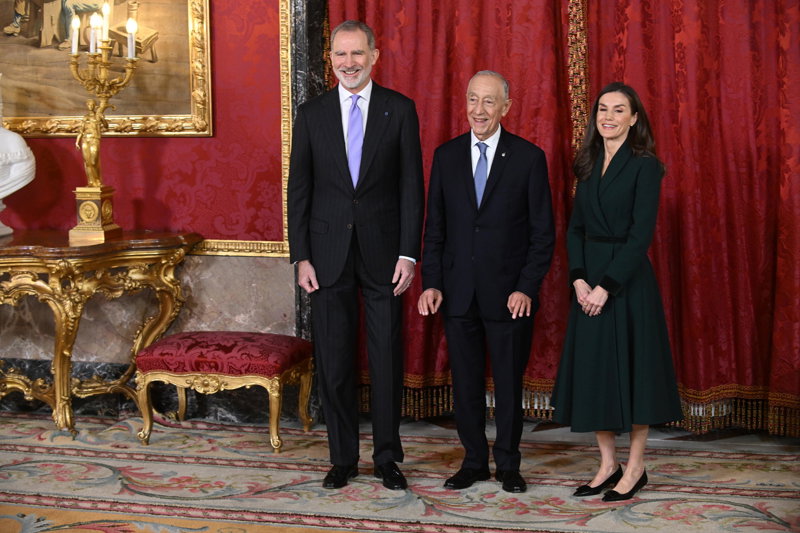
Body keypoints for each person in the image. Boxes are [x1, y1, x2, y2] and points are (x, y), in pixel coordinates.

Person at [287, 20, 424, 491]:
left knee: (386, 359)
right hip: (326, 255)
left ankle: (387, 457)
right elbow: (299, 189)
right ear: (331, 59)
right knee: (334, 359)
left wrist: (409, 254)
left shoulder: (400, 109)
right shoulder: (311, 114)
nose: (349, 63)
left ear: (374, 56)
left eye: (357, 53)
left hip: (386, 254)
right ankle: (342, 458)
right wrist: (301, 256)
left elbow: (411, 187)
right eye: (341, 55)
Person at [418, 71, 555, 493]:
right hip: (458, 294)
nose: (478, 110)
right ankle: (474, 461)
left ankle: (509, 464)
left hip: (510, 296)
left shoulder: (529, 158)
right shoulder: (446, 156)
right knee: (466, 385)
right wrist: (432, 282)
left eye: (489, 101)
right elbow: (435, 229)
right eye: (473, 99)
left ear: (506, 107)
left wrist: (526, 287)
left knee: (509, 386)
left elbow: (543, 234)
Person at [551, 82, 683, 502]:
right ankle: (608, 464)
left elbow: (640, 236)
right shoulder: (588, 161)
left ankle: (636, 467)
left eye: (618, 110)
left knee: (635, 375)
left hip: (626, 284)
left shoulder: (646, 166)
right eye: (603, 109)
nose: (608, 117)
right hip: (587, 281)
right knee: (596, 374)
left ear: (634, 118)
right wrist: (578, 280)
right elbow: (575, 228)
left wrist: (605, 287)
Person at [75, 99, 108, 187]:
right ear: (87, 106)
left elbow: (106, 126)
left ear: (95, 106)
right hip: (85, 140)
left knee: (93, 161)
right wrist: (77, 142)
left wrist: (103, 119)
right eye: (89, 104)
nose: (91, 106)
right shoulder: (85, 117)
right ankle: (91, 182)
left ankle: (97, 180)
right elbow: (81, 131)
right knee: (87, 162)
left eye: (92, 104)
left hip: (94, 139)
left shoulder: (98, 116)